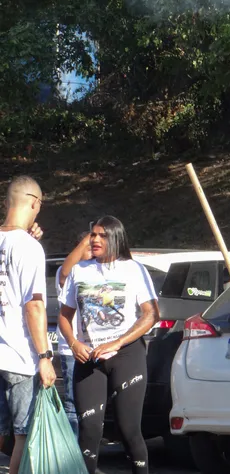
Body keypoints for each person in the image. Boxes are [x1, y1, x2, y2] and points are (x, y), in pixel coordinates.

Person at [58, 216, 159, 474]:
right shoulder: (80, 271)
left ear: (116, 238)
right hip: (89, 358)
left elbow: (151, 314)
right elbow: (64, 315)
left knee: (128, 430)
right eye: (93, 235)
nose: (94, 240)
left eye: (101, 235)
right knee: (90, 430)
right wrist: (73, 343)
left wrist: (119, 341)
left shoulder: (134, 270)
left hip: (126, 356)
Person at [0, 176, 56, 474]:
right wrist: (45, 356)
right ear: (35, 203)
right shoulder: (30, 248)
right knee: (23, 433)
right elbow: (34, 306)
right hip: (20, 357)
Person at [56, 231, 93, 437]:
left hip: (96, 347)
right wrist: (85, 241)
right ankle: (72, 454)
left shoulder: (99, 270)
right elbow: (63, 274)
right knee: (72, 403)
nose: (92, 251)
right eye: (88, 247)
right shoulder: (70, 272)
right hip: (71, 350)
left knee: (92, 404)